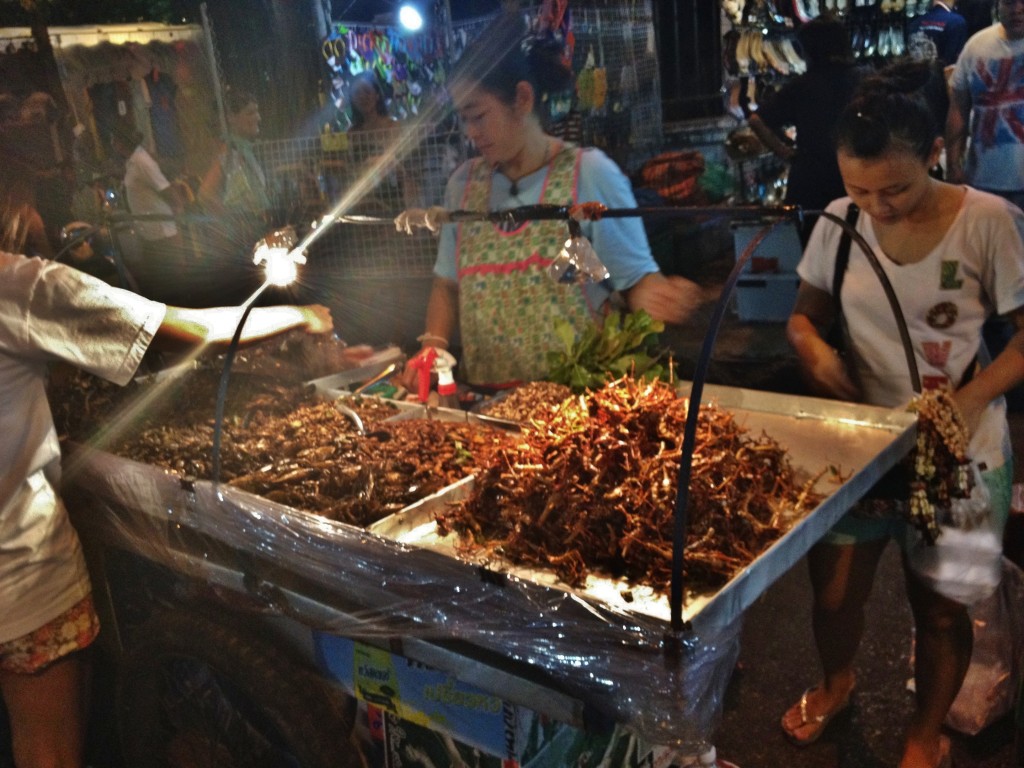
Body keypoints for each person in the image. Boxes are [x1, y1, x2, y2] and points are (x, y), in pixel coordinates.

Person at [0, 246, 334, 768]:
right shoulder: (16, 285)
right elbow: (182, 332)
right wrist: (300, 315)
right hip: (20, 579)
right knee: (48, 748)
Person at [781, 61, 1024, 768]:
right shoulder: (839, 221)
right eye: (859, 188)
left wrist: (964, 401)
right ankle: (837, 682)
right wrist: (815, 353)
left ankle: (925, 732)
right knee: (831, 596)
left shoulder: (989, 222)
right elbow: (804, 320)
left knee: (942, 608)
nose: (877, 206)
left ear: (933, 155)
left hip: (962, 451)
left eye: (895, 187)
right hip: (861, 446)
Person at [405, 14, 701, 390]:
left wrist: (662, 296)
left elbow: (634, 282)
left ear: (523, 99)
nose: (470, 132)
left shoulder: (588, 175)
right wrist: (433, 345)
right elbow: (446, 285)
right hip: (485, 410)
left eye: (477, 116)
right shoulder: (462, 186)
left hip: (575, 413)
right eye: (463, 119)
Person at [746, 13, 865, 243]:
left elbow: (756, 121)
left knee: (814, 251)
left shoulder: (801, 87)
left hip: (811, 182)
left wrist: (785, 153)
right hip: (854, 177)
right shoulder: (863, 80)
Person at [946, 0, 1024, 208]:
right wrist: (953, 165)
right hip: (983, 181)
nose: (1017, 9)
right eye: (1009, 3)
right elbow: (958, 109)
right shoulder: (975, 47)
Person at [111, 126, 188, 301]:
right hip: (150, 234)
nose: (112, 145)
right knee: (158, 286)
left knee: (171, 286)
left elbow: (166, 190)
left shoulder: (141, 161)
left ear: (121, 143)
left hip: (162, 234)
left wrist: (178, 220)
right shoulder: (133, 161)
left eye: (114, 140)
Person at [909, 1, 970, 67]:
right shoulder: (957, 22)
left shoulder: (915, 23)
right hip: (944, 75)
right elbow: (957, 63)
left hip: (917, 74)